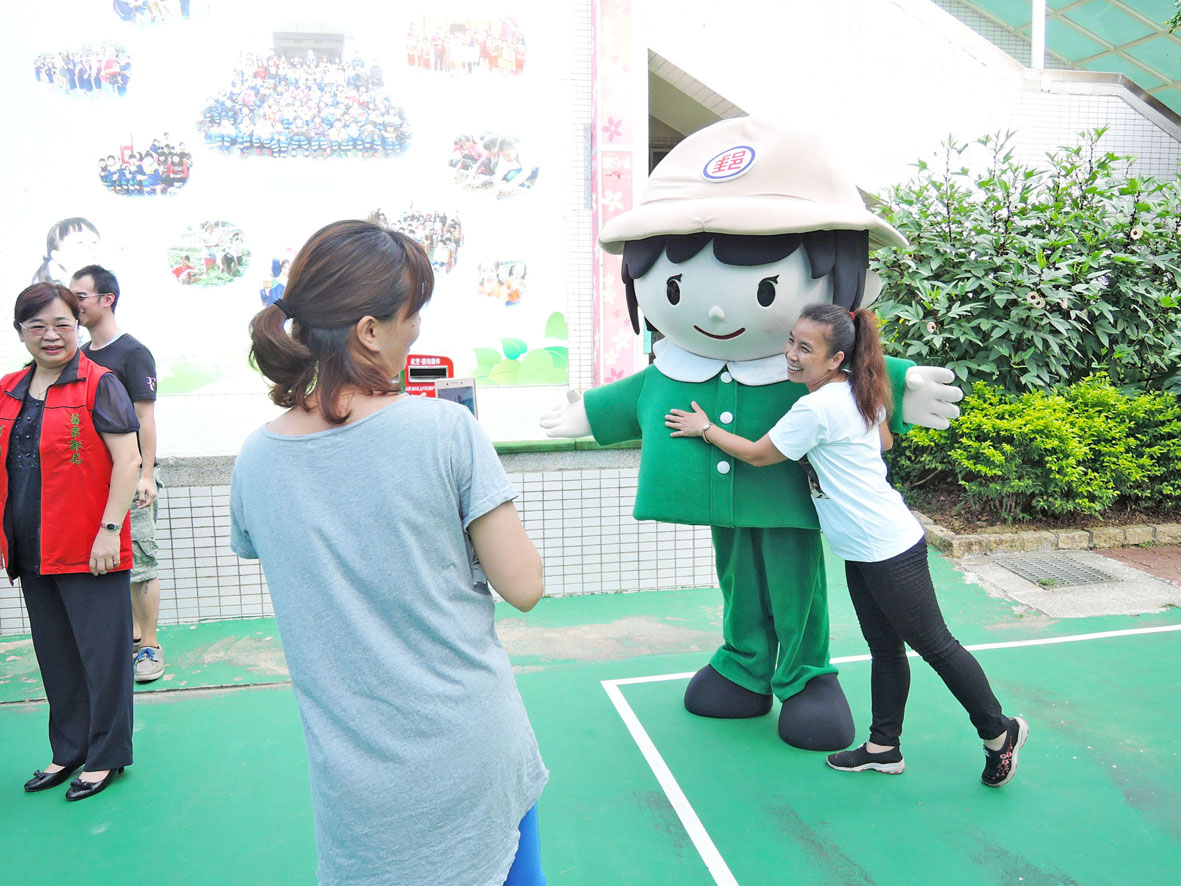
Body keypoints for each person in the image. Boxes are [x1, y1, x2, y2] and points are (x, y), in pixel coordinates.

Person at [230, 220, 549, 884]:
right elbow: (522, 584)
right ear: (370, 330)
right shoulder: (445, 430)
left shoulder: (256, 458)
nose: (419, 330)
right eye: (413, 314)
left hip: (355, 783)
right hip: (469, 746)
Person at [665, 303, 1029, 787]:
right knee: (885, 649)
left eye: (805, 348)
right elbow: (883, 443)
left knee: (936, 646)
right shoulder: (860, 386)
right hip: (863, 546)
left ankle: (999, 732)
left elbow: (756, 456)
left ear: (835, 358)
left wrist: (704, 428)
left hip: (886, 547)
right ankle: (884, 747)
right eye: (791, 341)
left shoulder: (817, 407)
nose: (790, 354)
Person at [4, 283, 141, 801]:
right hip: (31, 548)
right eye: (36, 325)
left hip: (90, 548)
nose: (50, 335)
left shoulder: (99, 383)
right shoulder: (9, 388)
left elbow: (128, 461)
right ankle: (68, 749)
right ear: (20, 332)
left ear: (78, 325)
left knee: (102, 659)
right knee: (56, 656)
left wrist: (109, 530)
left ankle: (105, 758)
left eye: (61, 323)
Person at [72, 266, 165, 683]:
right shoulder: (79, 355)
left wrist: (146, 473)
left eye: (81, 297)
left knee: (141, 563)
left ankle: (150, 646)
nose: (74, 306)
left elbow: (145, 417)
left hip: (132, 477)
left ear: (107, 299)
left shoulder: (132, 353)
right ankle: (127, 640)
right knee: (111, 563)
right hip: (93, 483)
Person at [31, 217, 101, 286]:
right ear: (57, 256)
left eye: (94, 242)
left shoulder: (108, 287)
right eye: (80, 242)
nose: (91, 248)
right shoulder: (50, 295)